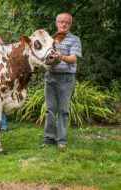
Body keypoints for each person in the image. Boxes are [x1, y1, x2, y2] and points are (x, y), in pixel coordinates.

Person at [41, 13, 82, 148]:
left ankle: (62, 140)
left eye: (67, 22)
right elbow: (43, 57)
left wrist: (61, 56)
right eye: (61, 22)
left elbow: (74, 58)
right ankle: (48, 138)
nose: (64, 24)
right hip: (50, 78)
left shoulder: (75, 39)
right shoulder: (50, 40)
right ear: (56, 23)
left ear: (70, 25)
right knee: (50, 109)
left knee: (63, 110)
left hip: (66, 78)